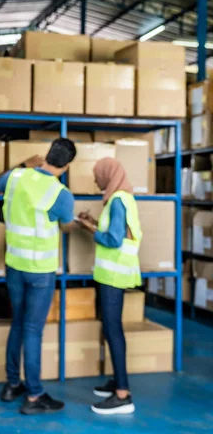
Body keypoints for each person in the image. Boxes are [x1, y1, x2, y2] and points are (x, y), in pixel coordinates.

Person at [0, 138, 78, 415]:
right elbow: (66, 227)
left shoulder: (16, 177)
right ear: (67, 165)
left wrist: (22, 164)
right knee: (32, 330)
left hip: (14, 264)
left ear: (46, 155)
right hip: (40, 270)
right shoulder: (61, 194)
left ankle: (12, 384)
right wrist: (77, 222)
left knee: (18, 323)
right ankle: (35, 395)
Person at [78, 157, 142, 416]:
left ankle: (123, 395)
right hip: (112, 274)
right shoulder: (122, 198)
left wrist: (89, 230)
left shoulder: (117, 201)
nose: (96, 180)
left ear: (108, 175)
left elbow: (114, 239)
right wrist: (92, 223)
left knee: (113, 329)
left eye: (98, 176)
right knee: (109, 326)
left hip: (113, 276)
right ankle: (117, 381)